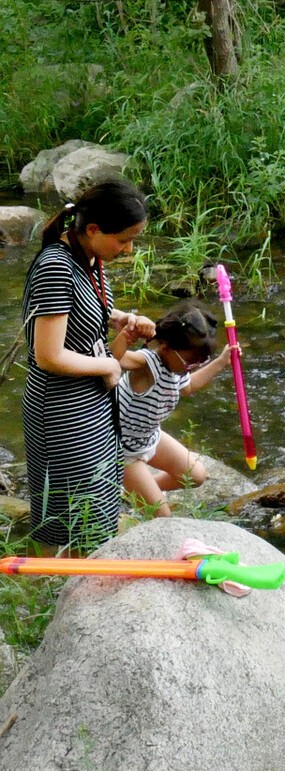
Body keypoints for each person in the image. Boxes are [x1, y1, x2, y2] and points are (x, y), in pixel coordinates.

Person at [21, 178, 156, 550]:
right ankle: (56, 581)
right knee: (67, 519)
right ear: (94, 229)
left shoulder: (91, 258)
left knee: (99, 505)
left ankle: (92, 574)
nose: (128, 249)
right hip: (61, 411)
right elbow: (48, 355)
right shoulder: (56, 268)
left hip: (93, 404)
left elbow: (81, 309)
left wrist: (119, 318)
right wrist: (109, 367)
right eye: (124, 240)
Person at [112, 301, 234, 517]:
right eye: (190, 363)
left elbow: (188, 387)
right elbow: (112, 360)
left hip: (148, 437)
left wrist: (221, 362)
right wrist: (127, 335)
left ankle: (138, 491)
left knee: (195, 476)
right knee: (162, 516)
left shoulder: (176, 368)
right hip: (123, 449)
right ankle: (140, 491)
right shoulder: (146, 364)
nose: (193, 367)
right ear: (166, 349)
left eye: (200, 362)